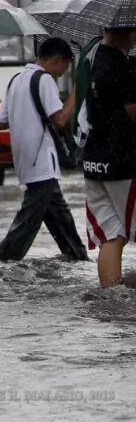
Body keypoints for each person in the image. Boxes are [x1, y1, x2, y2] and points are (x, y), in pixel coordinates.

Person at [0, 38, 87, 262]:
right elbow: (60, 119)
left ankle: (77, 256)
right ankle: (2, 261)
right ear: (56, 60)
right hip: (41, 160)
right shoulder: (44, 79)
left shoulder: (15, 79)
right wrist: (78, 91)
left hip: (25, 160)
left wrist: (25, 115)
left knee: (60, 217)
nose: (63, 73)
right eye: (65, 66)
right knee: (28, 221)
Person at [80, 27, 136, 287]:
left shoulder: (90, 58)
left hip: (94, 160)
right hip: (123, 163)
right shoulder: (121, 66)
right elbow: (133, 111)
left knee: (111, 235)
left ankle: (110, 298)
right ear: (127, 33)